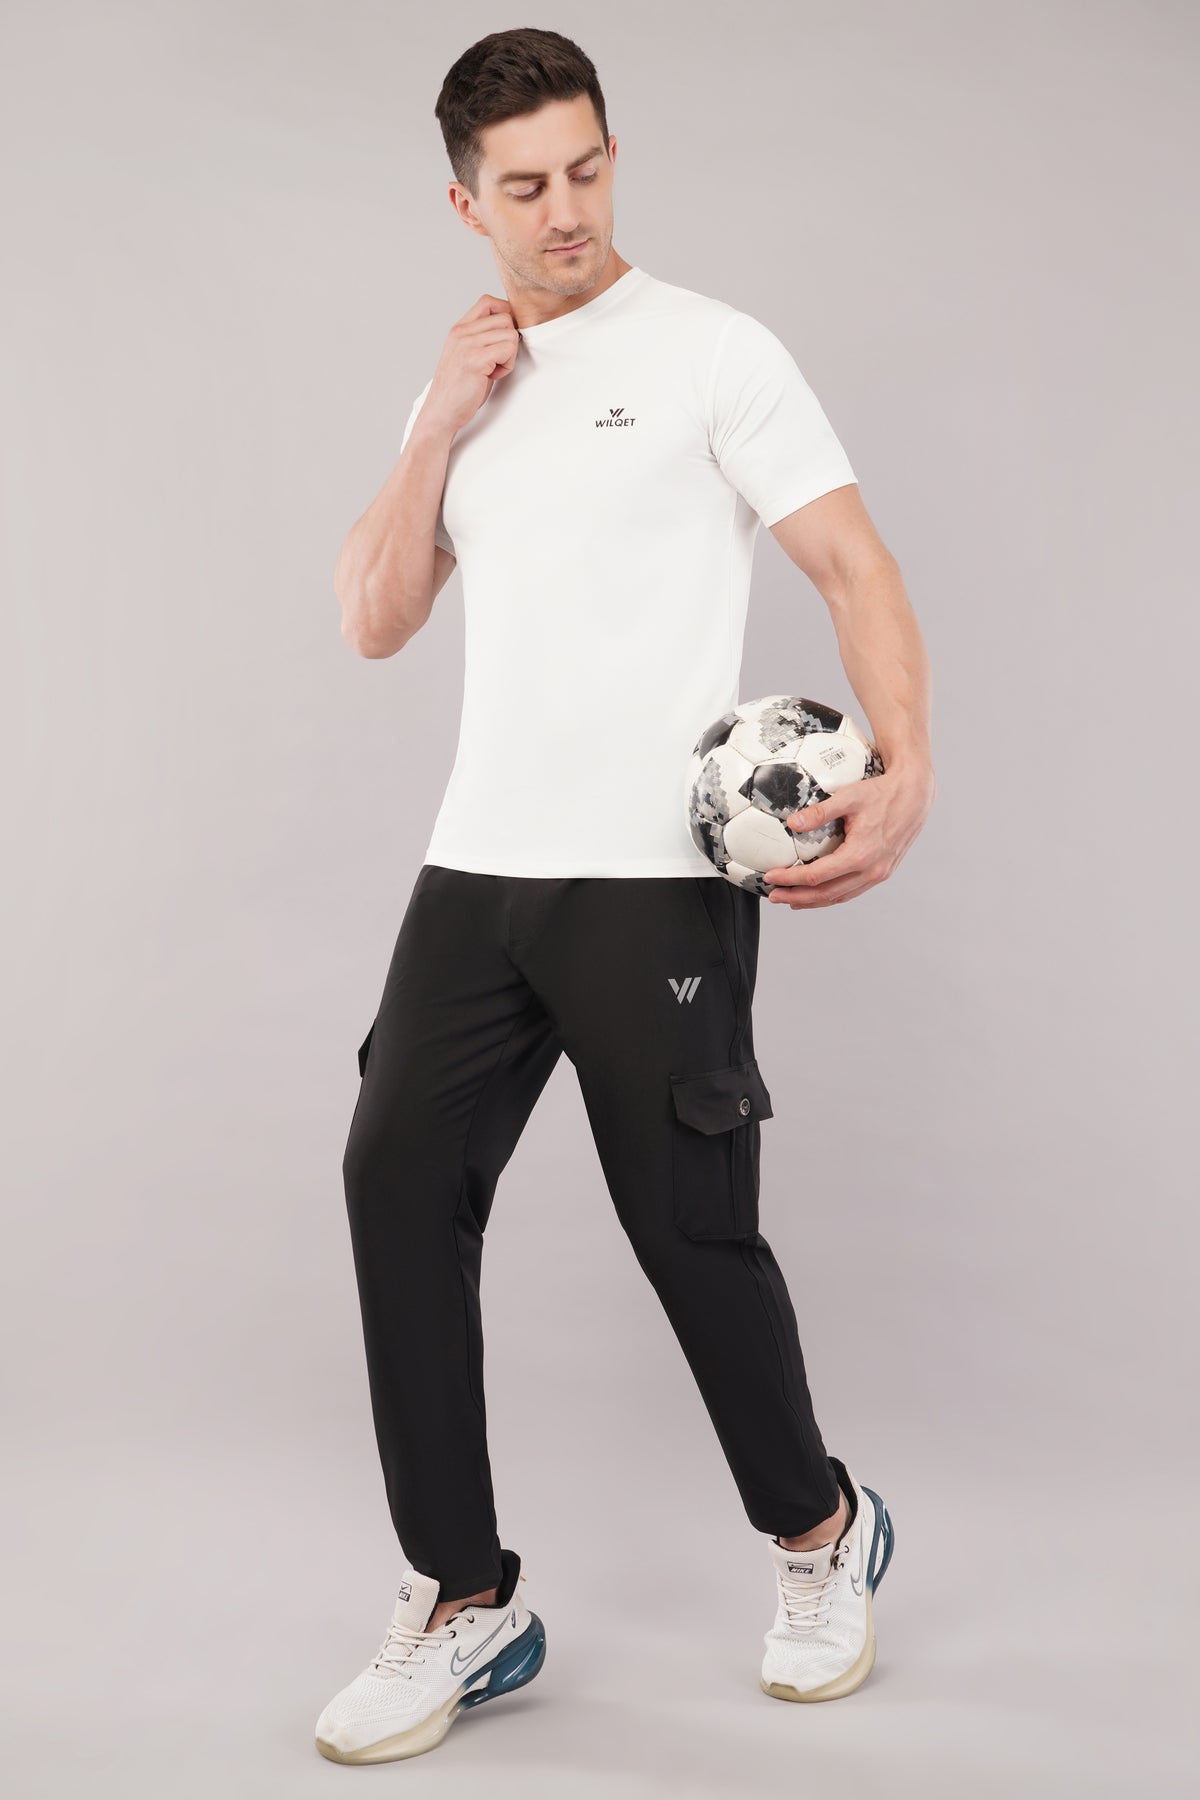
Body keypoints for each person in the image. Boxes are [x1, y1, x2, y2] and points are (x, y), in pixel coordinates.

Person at [316, 26, 932, 1766]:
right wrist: (439, 425)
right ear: (466, 204)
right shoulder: (460, 388)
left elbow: (850, 559)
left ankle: (821, 1533)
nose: (566, 208)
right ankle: (465, 1598)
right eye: (525, 186)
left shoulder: (715, 352)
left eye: (586, 168)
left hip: (654, 881)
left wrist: (908, 764)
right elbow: (373, 617)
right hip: (479, 870)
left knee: (687, 1229)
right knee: (390, 1184)